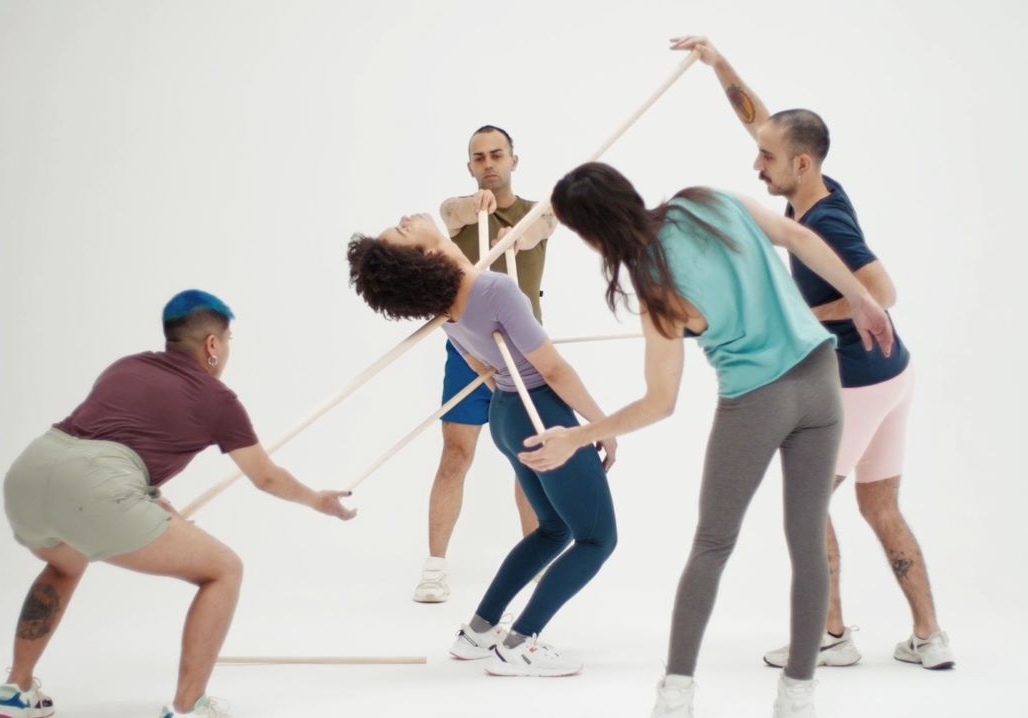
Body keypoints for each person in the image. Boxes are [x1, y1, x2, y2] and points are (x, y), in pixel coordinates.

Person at [529, 162, 893, 716]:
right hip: (822, 379)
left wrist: (579, 435)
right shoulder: (705, 201)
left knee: (712, 544)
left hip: (756, 402)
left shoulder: (655, 286)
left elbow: (659, 402)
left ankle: (675, 694)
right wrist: (861, 297)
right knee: (807, 541)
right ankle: (798, 694)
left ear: (591, 235)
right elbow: (798, 237)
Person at [671, 35, 954, 671]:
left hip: (856, 383)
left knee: (810, 506)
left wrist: (803, 315)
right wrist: (718, 64)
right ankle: (929, 636)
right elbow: (762, 123)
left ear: (800, 164)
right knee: (879, 504)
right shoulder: (815, 188)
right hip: (894, 375)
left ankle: (829, 635)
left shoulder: (826, 223)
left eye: (767, 158)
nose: (756, 165)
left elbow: (882, 292)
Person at [0, 290, 356, 718]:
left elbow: (108, 447)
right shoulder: (217, 399)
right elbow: (266, 477)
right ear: (212, 344)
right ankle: (188, 706)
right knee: (224, 570)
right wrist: (317, 500)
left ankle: (15, 690)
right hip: (97, 489)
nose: (228, 350)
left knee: (65, 563)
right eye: (229, 340)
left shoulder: (126, 367)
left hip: (30, 473)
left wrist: (152, 505)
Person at [347, 214, 615, 676]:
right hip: (539, 410)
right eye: (403, 231)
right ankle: (521, 644)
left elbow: (480, 366)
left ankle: (478, 631)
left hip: (507, 413)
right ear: (426, 255)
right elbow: (552, 370)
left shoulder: (445, 305)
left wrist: (515, 403)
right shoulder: (494, 290)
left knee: (553, 530)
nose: (407, 219)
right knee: (597, 538)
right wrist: (600, 426)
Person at [414, 124, 558, 603]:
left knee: (529, 459)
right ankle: (434, 567)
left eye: (497, 155)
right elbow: (449, 213)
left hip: (523, 353)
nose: (489, 163)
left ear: (514, 160)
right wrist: (471, 208)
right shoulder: (456, 214)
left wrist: (516, 234)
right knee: (455, 455)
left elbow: (539, 228)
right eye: (479, 157)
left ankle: (535, 563)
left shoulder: (540, 210)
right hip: (467, 352)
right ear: (470, 166)